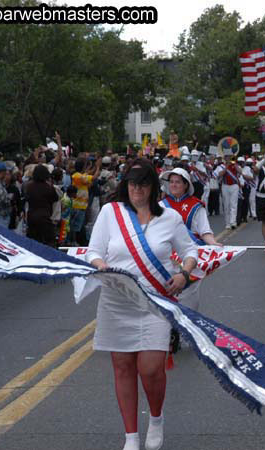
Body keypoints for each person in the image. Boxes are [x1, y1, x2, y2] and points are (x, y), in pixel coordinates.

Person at [87, 158, 197, 450]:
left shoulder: (170, 218)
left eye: (143, 183)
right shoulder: (111, 213)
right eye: (132, 183)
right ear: (126, 185)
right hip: (116, 300)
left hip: (154, 302)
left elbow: (189, 251)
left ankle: (157, 418)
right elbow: (93, 251)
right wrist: (103, 267)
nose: (137, 189)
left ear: (152, 187)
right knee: (122, 367)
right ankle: (131, 437)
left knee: (150, 369)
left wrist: (184, 275)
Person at [159, 167, 221, 311]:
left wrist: (214, 243)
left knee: (189, 302)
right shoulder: (161, 206)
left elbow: (204, 231)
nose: (173, 185)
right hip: (167, 258)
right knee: (167, 298)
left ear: (186, 185)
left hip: (190, 258)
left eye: (178, 182)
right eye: (171, 182)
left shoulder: (196, 206)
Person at [24, 165, 59, 246]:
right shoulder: (49, 188)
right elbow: (55, 198)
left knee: (33, 242)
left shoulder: (29, 186)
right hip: (45, 217)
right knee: (48, 242)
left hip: (31, 216)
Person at [214, 155, 241, 230]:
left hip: (234, 186)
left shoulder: (235, 165)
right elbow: (219, 175)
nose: (228, 158)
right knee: (226, 205)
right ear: (225, 158)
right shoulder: (221, 166)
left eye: (229, 157)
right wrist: (226, 167)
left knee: (234, 204)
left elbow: (240, 172)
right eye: (227, 157)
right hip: (225, 186)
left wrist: (234, 165)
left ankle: (233, 222)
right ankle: (227, 223)